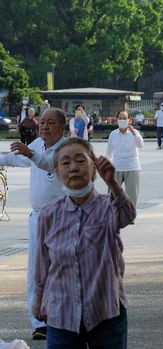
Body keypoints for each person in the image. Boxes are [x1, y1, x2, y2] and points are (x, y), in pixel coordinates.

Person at [33, 138, 136, 349]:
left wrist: (113, 184)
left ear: (94, 167)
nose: (73, 168)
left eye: (80, 161)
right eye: (65, 163)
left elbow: (127, 215)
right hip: (62, 313)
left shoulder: (108, 207)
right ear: (58, 172)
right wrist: (38, 299)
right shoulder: (49, 213)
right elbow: (43, 262)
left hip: (106, 311)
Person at [0, 108, 66, 340]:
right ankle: (40, 322)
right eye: (42, 122)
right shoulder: (37, 144)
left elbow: (49, 164)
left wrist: (31, 154)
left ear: (61, 127)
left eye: (50, 123)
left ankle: (62, 319)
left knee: (61, 270)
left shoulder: (67, 149)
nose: (44, 127)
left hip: (63, 218)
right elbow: (14, 157)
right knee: (36, 270)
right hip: (38, 218)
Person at [105, 111, 144, 207]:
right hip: (117, 167)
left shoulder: (134, 133)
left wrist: (135, 133)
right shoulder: (113, 134)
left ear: (129, 120)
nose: (122, 120)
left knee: (132, 193)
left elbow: (141, 145)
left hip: (132, 166)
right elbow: (108, 152)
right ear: (117, 120)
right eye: (120, 118)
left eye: (124, 118)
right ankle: (113, 214)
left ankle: (129, 215)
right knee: (113, 193)